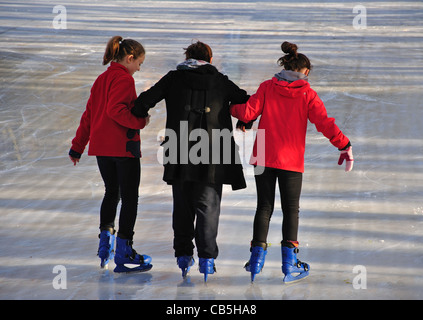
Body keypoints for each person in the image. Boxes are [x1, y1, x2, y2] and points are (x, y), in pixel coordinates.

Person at [230, 41, 354, 283]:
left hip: (264, 155)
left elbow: (246, 113)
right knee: (291, 209)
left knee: (264, 207)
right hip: (291, 159)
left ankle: (256, 261)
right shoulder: (308, 93)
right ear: (305, 72)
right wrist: (344, 144)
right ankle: (289, 263)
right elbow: (324, 123)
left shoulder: (267, 87)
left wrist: (229, 105)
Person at [131, 41, 249, 281]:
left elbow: (142, 103)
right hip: (213, 154)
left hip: (179, 151)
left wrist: (141, 117)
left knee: (183, 205)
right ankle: (207, 260)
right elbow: (246, 101)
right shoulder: (220, 80)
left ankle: (184, 256)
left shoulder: (173, 78)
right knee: (208, 206)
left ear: (188, 57)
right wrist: (244, 121)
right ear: (210, 59)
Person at [69, 36, 153, 273]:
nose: (139, 68)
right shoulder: (124, 79)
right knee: (129, 198)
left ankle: (105, 241)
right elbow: (116, 110)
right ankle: (125, 251)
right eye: (139, 63)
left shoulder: (101, 79)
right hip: (123, 149)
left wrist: (77, 147)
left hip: (101, 150)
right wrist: (140, 121)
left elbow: (88, 115)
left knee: (111, 193)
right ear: (129, 58)